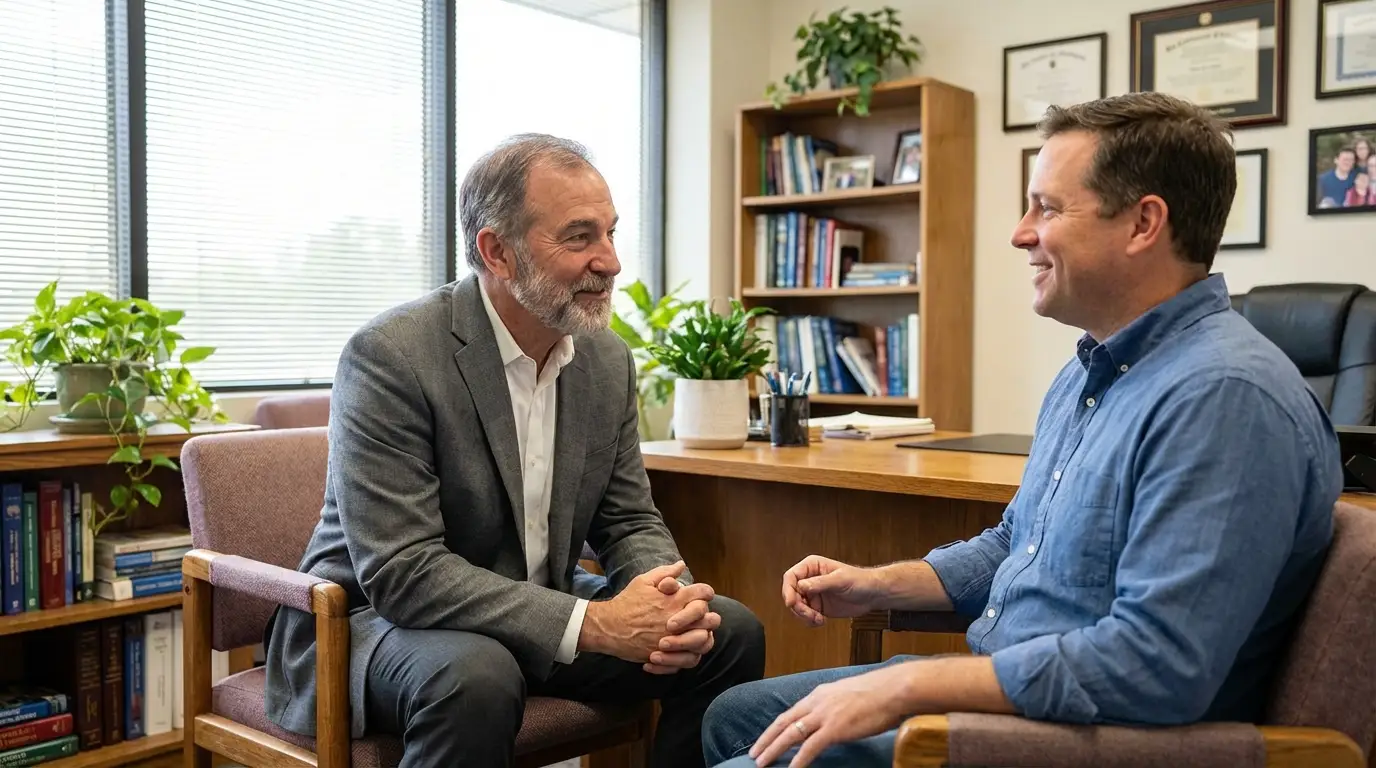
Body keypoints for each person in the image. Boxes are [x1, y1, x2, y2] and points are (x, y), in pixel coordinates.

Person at [701, 92, 1344, 768]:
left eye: (1048, 208)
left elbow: (1156, 667)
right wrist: (877, 584)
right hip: (1013, 689)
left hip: (1089, 741)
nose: (1020, 233)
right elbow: (1018, 544)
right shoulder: (1092, 370)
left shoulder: (1224, 399)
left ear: (1143, 223)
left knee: (750, 756)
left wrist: (910, 686)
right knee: (732, 716)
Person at [263, 133, 766, 768]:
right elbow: (402, 570)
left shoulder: (606, 359)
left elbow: (628, 519)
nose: (611, 261)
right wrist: (595, 624)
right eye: (579, 237)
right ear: (496, 252)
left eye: (611, 233)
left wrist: (672, 603)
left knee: (726, 633)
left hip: (532, 605)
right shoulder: (392, 356)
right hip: (373, 623)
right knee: (477, 675)